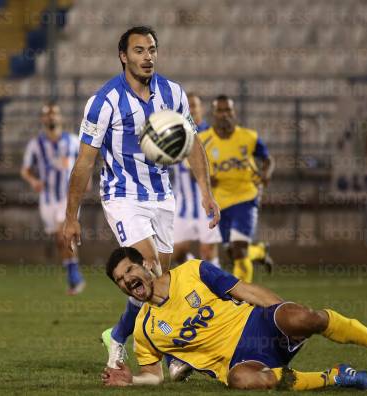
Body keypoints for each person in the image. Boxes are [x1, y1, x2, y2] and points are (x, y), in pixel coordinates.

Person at [63, 26, 219, 370]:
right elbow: (84, 161)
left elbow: (191, 144)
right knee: (149, 270)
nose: (147, 57)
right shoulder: (104, 102)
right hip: (122, 196)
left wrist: (206, 193)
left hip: (163, 196)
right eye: (138, 51)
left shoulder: (174, 93)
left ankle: (117, 337)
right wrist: (71, 217)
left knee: (161, 280)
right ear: (123, 56)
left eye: (151, 50)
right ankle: (174, 353)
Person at [100, 247, 367, 390]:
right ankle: (336, 376)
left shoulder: (193, 271)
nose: (127, 280)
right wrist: (131, 380)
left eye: (129, 269)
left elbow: (245, 290)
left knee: (307, 318)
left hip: (256, 325)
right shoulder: (144, 330)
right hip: (239, 362)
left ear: (145, 264)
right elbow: (153, 375)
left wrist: (281, 312)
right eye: (120, 279)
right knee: (244, 382)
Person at [199, 95, 274, 283]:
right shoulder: (202, 140)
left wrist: (266, 173)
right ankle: (259, 251)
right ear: (214, 114)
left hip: (246, 197)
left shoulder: (249, 137)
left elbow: (268, 159)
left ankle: (244, 298)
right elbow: (196, 168)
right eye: (220, 111)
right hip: (220, 203)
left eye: (228, 110)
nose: (225, 115)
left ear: (234, 113)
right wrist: (208, 180)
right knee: (233, 253)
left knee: (239, 250)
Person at [21, 103, 85, 295]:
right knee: (59, 240)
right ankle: (73, 276)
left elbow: (83, 163)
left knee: (63, 234)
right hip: (48, 199)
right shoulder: (35, 145)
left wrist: (84, 181)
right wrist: (33, 181)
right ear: (42, 119)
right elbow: (25, 170)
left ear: (60, 118)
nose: (51, 118)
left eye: (54, 114)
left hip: (68, 197)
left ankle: (75, 278)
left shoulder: (73, 141)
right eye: (47, 115)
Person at [171, 93, 222, 267]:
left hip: (205, 202)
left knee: (207, 251)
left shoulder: (211, 135)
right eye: (188, 106)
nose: (191, 109)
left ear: (201, 108)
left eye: (194, 105)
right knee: (176, 252)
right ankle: (199, 273)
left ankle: (220, 290)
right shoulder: (175, 135)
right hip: (182, 204)